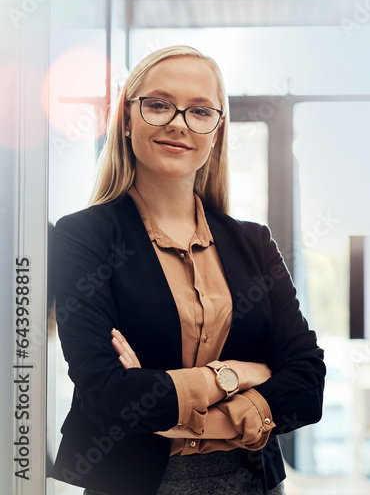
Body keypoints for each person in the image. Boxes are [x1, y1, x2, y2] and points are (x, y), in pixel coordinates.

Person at [48, 45, 325, 495]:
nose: (178, 122)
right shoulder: (84, 236)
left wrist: (171, 406)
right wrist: (236, 375)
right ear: (126, 119)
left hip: (254, 484)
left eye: (200, 111)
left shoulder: (253, 242)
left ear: (216, 132)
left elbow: (308, 383)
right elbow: (109, 397)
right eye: (158, 105)